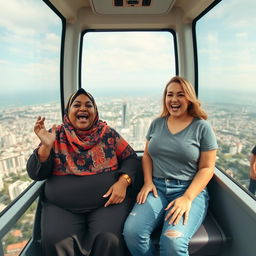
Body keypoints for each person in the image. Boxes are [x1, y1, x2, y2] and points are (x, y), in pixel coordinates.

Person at [26, 88, 138, 256]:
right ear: (68, 112)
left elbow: (131, 158)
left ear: (95, 111)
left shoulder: (108, 134)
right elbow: (36, 174)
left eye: (88, 105)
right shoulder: (55, 135)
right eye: (76, 105)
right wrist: (45, 148)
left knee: (109, 237)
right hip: (62, 207)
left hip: (107, 204)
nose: (83, 109)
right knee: (55, 239)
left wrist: (123, 182)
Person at [123, 76, 218, 256]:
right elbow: (148, 155)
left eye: (180, 95)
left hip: (188, 190)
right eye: (170, 94)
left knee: (172, 241)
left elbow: (207, 168)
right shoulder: (156, 124)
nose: (174, 100)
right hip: (157, 188)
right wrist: (148, 182)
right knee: (132, 233)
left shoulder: (202, 128)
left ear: (189, 99)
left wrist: (187, 198)